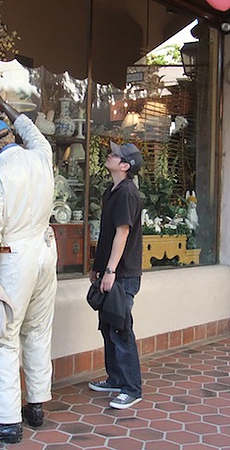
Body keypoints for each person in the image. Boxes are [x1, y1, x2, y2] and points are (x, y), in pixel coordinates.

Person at [0, 91, 58, 445]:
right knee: (37, 330)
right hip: (44, 252)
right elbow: (31, 129)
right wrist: (4, 104)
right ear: (10, 135)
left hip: (14, 259)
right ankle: (35, 405)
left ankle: (6, 420)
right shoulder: (41, 154)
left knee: (3, 337)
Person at [88, 141, 144, 410]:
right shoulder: (112, 191)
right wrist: (98, 267)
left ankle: (132, 388)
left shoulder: (127, 193)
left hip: (122, 275)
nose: (109, 156)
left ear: (125, 165)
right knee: (108, 326)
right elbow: (107, 234)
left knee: (121, 329)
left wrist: (110, 270)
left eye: (114, 155)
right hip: (110, 272)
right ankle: (115, 379)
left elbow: (122, 233)